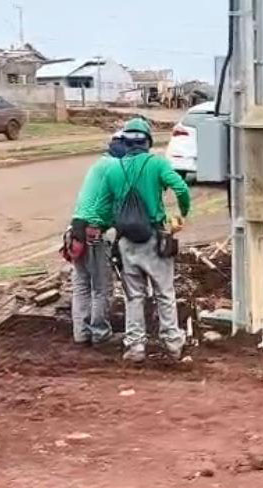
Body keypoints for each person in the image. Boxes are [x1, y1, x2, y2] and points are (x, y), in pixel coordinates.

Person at [102, 118, 191, 363]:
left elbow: (107, 206)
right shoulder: (157, 164)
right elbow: (181, 189)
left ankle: (135, 347)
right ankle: (173, 343)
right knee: (164, 292)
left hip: (126, 242)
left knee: (134, 296)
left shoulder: (113, 169)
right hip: (154, 238)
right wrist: (182, 213)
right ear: (147, 141)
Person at [67, 132, 127, 346]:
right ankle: (100, 333)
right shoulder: (116, 168)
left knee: (82, 284)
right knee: (101, 287)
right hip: (94, 232)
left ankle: (81, 333)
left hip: (75, 230)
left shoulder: (98, 165)